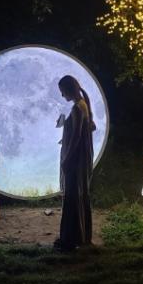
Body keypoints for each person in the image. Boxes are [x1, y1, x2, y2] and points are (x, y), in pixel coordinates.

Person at [54, 75, 95, 252]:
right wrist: (67, 126)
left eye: (63, 91)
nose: (62, 95)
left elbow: (77, 136)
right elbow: (90, 128)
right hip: (81, 158)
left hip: (75, 160)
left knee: (72, 196)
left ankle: (70, 239)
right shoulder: (83, 105)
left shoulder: (77, 108)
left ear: (69, 89)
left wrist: (67, 159)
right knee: (79, 195)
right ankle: (81, 236)